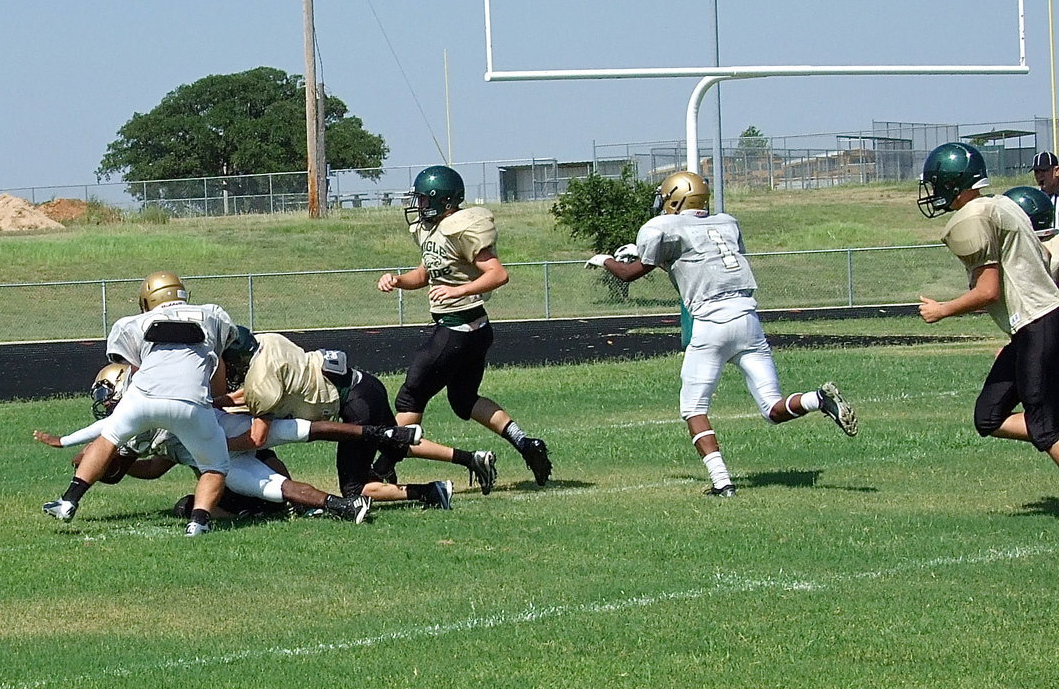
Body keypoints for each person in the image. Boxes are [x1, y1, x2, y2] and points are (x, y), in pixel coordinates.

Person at [584, 171, 858, 497]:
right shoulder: (725, 223)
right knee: (771, 409)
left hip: (712, 325)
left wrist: (605, 259)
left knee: (694, 408)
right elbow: (695, 260)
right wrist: (650, 258)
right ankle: (817, 399)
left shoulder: (663, 227)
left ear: (675, 197)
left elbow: (628, 274)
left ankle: (722, 482)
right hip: (747, 320)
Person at [33, 363, 422, 526]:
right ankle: (342, 503)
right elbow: (149, 464)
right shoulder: (137, 423)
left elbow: (96, 443)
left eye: (108, 395)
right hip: (220, 451)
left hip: (225, 439)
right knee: (280, 473)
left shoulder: (144, 408)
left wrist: (76, 447)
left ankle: (385, 435)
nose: (107, 404)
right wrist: (107, 458)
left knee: (301, 430)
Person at [375, 165, 552, 486]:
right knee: (463, 400)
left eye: (424, 200)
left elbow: (497, 274)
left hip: (456, 329)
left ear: (444, 202)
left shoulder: (461, 228)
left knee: (409, 398)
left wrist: (458, 290)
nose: (418, 206)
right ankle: (526, 443)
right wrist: (398, 280)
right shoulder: (435, 231)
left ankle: (383, 467)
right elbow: (425, 274)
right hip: (474, 330)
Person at [41, 271, 239, 536]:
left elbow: (134, 366)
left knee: (109, 438)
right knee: (215, 466)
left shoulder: (134, 323)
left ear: (148, 299)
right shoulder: (213, 314)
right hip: (190, 401)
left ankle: (68, 500)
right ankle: (199, 522)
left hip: (144, 395)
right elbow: (220, 357)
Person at [234, 331, 498, 509]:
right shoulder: (269, 343)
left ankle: (430, 492)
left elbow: (259, 430)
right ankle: (471, 458)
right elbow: (253, 391)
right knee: (397, 443)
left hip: (354, 404)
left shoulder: (262, 379)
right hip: (366, 385)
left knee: (355, 489)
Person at [917, 142, 1059, 472]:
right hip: (1031, 325)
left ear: (954, 182)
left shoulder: (973, 216)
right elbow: (1042, 260)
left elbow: (988, 291)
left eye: (938, 182)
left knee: (1045, 428)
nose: (934, 190)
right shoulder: (1002, 205)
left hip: (1037, 322)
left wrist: (943, 310)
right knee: (988, 416)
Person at [1030, 151, 1059, 216]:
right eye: (1036, 171)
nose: (1039, 175)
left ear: (1056, 171)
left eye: (1044, 170)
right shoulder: (1035, 199)